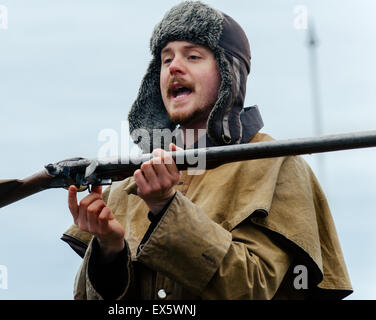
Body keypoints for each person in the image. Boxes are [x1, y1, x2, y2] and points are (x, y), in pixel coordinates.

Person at [61, 1, 352, 299]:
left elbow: (252, 291)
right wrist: (109, 249)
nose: (173, 66)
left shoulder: (276, 165)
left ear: (230, 73)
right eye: (165, 59)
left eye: (193, 56)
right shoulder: (129, 184)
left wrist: (167, 209)